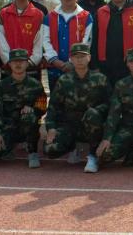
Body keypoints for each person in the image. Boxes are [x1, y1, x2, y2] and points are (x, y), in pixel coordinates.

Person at [44, 43, 110, 174]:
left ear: (89, 58)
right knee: (49, 150)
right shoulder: (64, 80)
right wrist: (51, 127)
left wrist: (96, 112)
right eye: (76, 57)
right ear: (71, 59)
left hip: (92, 125)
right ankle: (72, 147)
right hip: (70, 125)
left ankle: (93, 156)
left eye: (82, 56)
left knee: (92, 114)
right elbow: (53, 106)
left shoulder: (100, 79)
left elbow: (109, 104)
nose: (79, 60)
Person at [0, 48, 47, 168]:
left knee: (29, 117)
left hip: (28, 125)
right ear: (10, 64)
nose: (18, 64)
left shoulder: (35, 85)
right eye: (15, 61)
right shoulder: (2, 86)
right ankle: (11, 145)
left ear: (27, 63)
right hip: (9, 127)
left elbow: (42, 106)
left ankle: (32, 152)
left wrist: (33, 109)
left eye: (21, 61)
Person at [42, 0, 94, 94]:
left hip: (78, 67)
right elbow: (45, 40)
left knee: (77, 99)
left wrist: (72, 62)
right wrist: (55, 60)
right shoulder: (50, 17)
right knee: (56, 99)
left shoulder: (86, 17)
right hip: (54, 68)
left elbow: (87, 41)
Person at [0, 0, 45, 87]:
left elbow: (40, 42)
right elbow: (1, 41)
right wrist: (9, 61)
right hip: (9, 68)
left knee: (33, 97)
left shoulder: (38, 15)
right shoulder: (3, 13)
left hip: (31, 68)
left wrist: (31, 62)